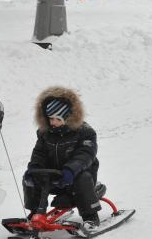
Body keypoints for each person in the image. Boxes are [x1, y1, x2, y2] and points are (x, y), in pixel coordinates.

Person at [23, 86, 101, 230]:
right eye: (50, 118)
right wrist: (33, 169)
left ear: (68, 117)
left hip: (76, 176)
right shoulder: (45, 134)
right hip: (54, 177)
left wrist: (70, 170)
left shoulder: (85, 132)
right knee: (31, 178)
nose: (53, 122)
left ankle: (90, 216)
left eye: (57, 119)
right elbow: (39, 154)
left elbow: (85, 154)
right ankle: (36, 212)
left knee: (82, 178)